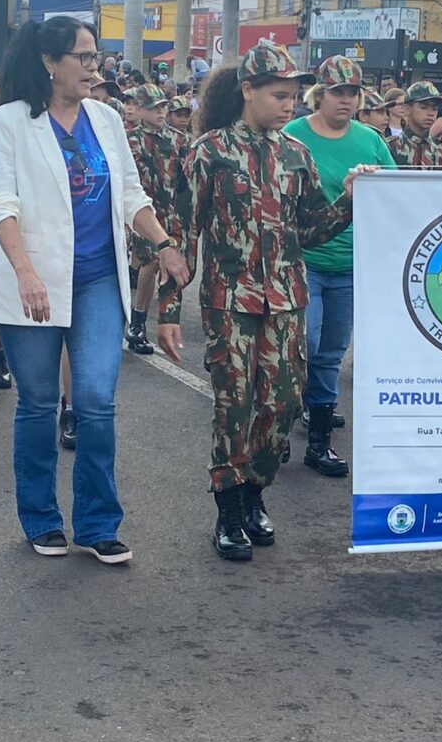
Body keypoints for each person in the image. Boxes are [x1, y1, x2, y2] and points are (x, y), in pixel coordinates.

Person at [0, 16, 181, 566]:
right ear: (50, 63)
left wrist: (163, 242)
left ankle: (97, 523)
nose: (96, 68)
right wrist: (24, 271)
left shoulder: (107, 119)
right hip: (33, 285)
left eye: (97, 57)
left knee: (94, 402)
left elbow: (131, 194)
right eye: (85, 58)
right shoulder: (11, 122)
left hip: (96, 280)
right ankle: (41, 519)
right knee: (40, 403)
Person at [156, 41, 369, 562]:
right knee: (235, 406)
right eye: (279, 95)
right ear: (247, 91)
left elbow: (313, 230)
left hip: (287, 301)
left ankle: (255, 495)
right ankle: (228, 510)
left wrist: (349, 198)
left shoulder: (295, 155)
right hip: (230, 302)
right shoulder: (209, 151)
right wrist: (166, 311)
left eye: (295, 96)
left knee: (280, 407)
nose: (288, 105)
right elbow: (182, 234)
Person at [283, 56, 395, 478]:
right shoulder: (293, 135)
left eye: (353, 93)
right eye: (338, 92)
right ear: (319, 95)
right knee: (303, 347)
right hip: (305, 259)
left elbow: (394, 189)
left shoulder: (370, 140)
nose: (346, 100)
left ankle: (318, 440)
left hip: (350, 263)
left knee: (331, 352)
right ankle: (287, 418)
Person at [125, 83, 186, 356]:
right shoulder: (130, 140)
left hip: (172, 213)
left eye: (163, 107)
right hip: (143, 213)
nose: (161, 112)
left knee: (170, 265)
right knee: (151, 260)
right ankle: (138, 322)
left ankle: (159, 318)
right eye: (153, 107)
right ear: (139, 109)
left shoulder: (178, 139)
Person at [386, 82, 442, 168]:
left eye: (435, 109)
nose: (431, 113)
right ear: (407, 109)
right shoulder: (391, 147)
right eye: (424, 107)